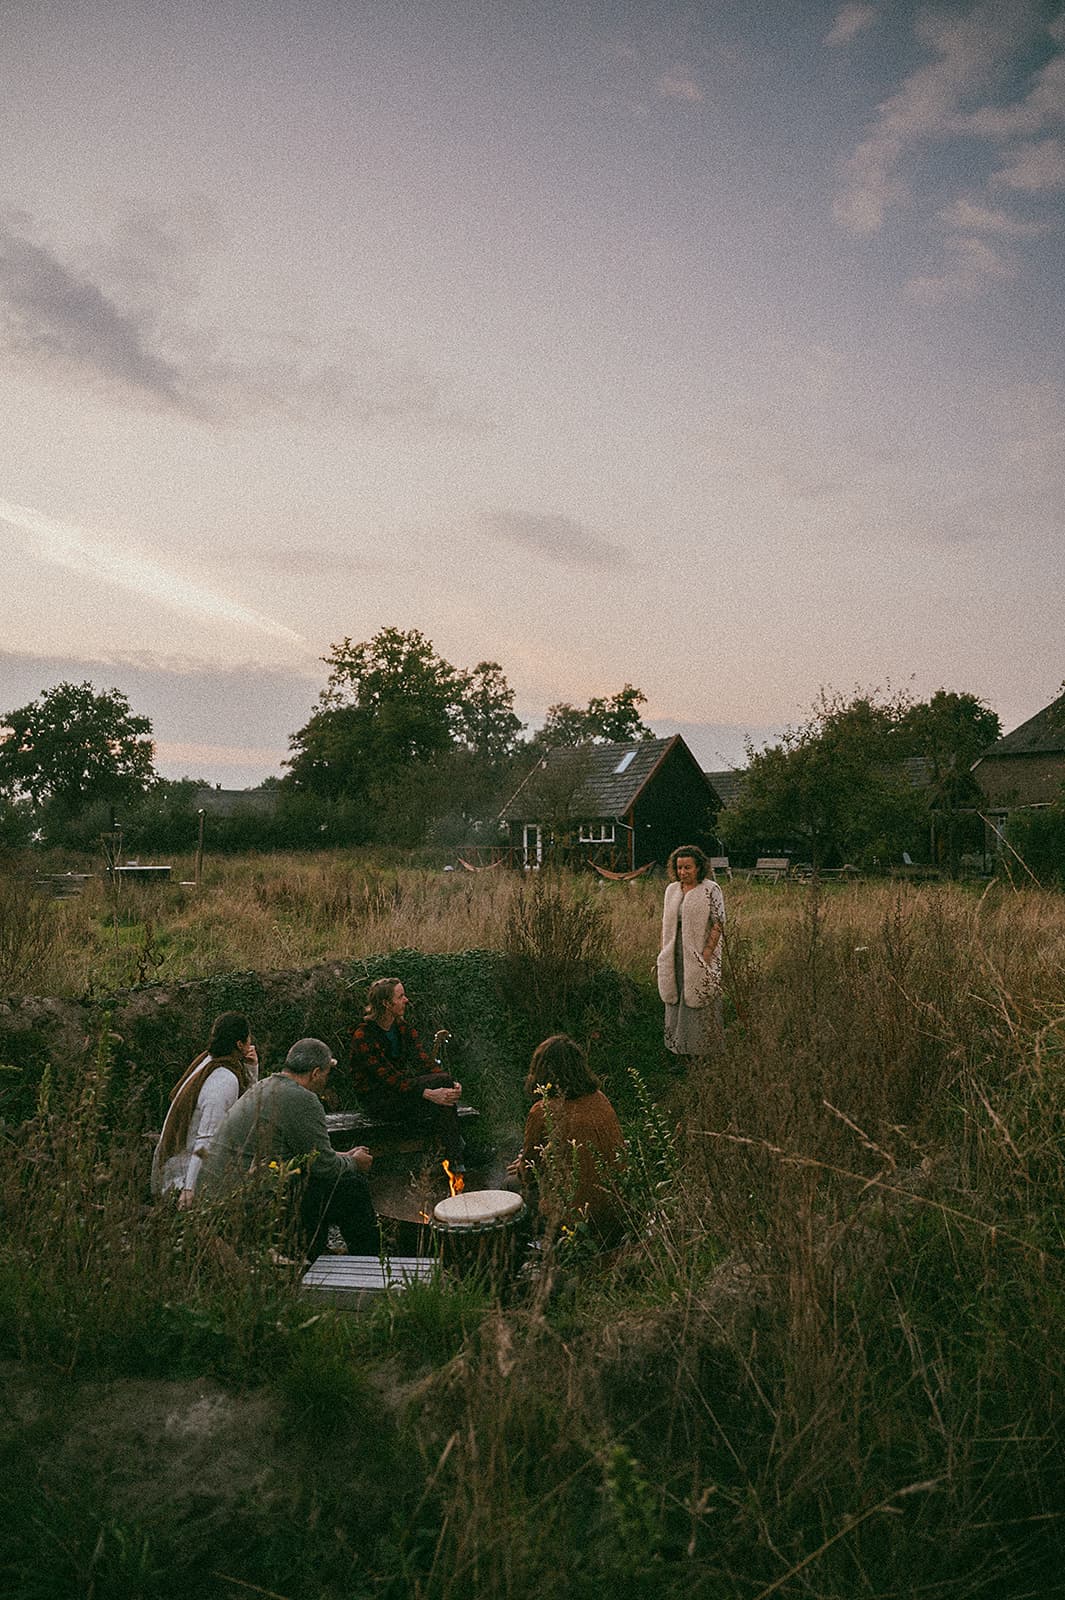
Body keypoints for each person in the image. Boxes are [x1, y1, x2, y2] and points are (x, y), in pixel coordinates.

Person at [198, 1037, 378, 1260]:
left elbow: (304, 1154)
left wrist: (343, 1155)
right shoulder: (302, 1099)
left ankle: (313, 1254)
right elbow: (324, 1167)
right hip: (245, 1206)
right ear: (315, 1073)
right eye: (326, 1074)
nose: (326, 1080)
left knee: (310, 1183)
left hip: (217, 1204)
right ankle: (368, 1262)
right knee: (351, 1187)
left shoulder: (266, 1086)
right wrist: (354, 1162)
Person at [507, 1034, 626, 1248]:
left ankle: (529, 1251)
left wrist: (525, 1165)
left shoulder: (542, 1111)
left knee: (509, 1186)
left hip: (576, 1216)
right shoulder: (600, 1098)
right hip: (616, 1210)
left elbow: (529, 1177)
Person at [347, 977, 465, 1166]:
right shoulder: (364, 1035)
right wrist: (426, 1093)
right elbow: (387, 1077)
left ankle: (453, 1157)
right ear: (386, 1004)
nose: (406, 1000)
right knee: (440, 1093)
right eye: (400, 996)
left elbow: (423, 1061)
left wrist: (452, 1083)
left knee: (444, 1087)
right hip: (377, 1099)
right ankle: (457, 1157)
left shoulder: (402, 1028)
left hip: (402, 1092)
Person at [151, 1011, 259, 1205]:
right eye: (249, 1038)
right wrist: (189, 1188)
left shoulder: (208, 1061)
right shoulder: (224, 1079)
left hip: (177, 1167)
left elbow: (246, 1105)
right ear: (239, 1044)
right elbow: (207, 1137)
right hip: (183, 1177)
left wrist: (252, 1068)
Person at [656, 843, 726, 1066]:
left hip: (699, 954)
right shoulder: (671, 890)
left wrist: (706, 954)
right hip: (674, 954)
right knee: (674, 997)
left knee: (700, 998)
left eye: (688, 867)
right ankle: (677, 1050)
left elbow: (718, 923)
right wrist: (663, 952)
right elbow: (666, 925)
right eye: (679, 868)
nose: (683, 872)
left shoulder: (711, 889)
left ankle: (703, 1052)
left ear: (699, 867)